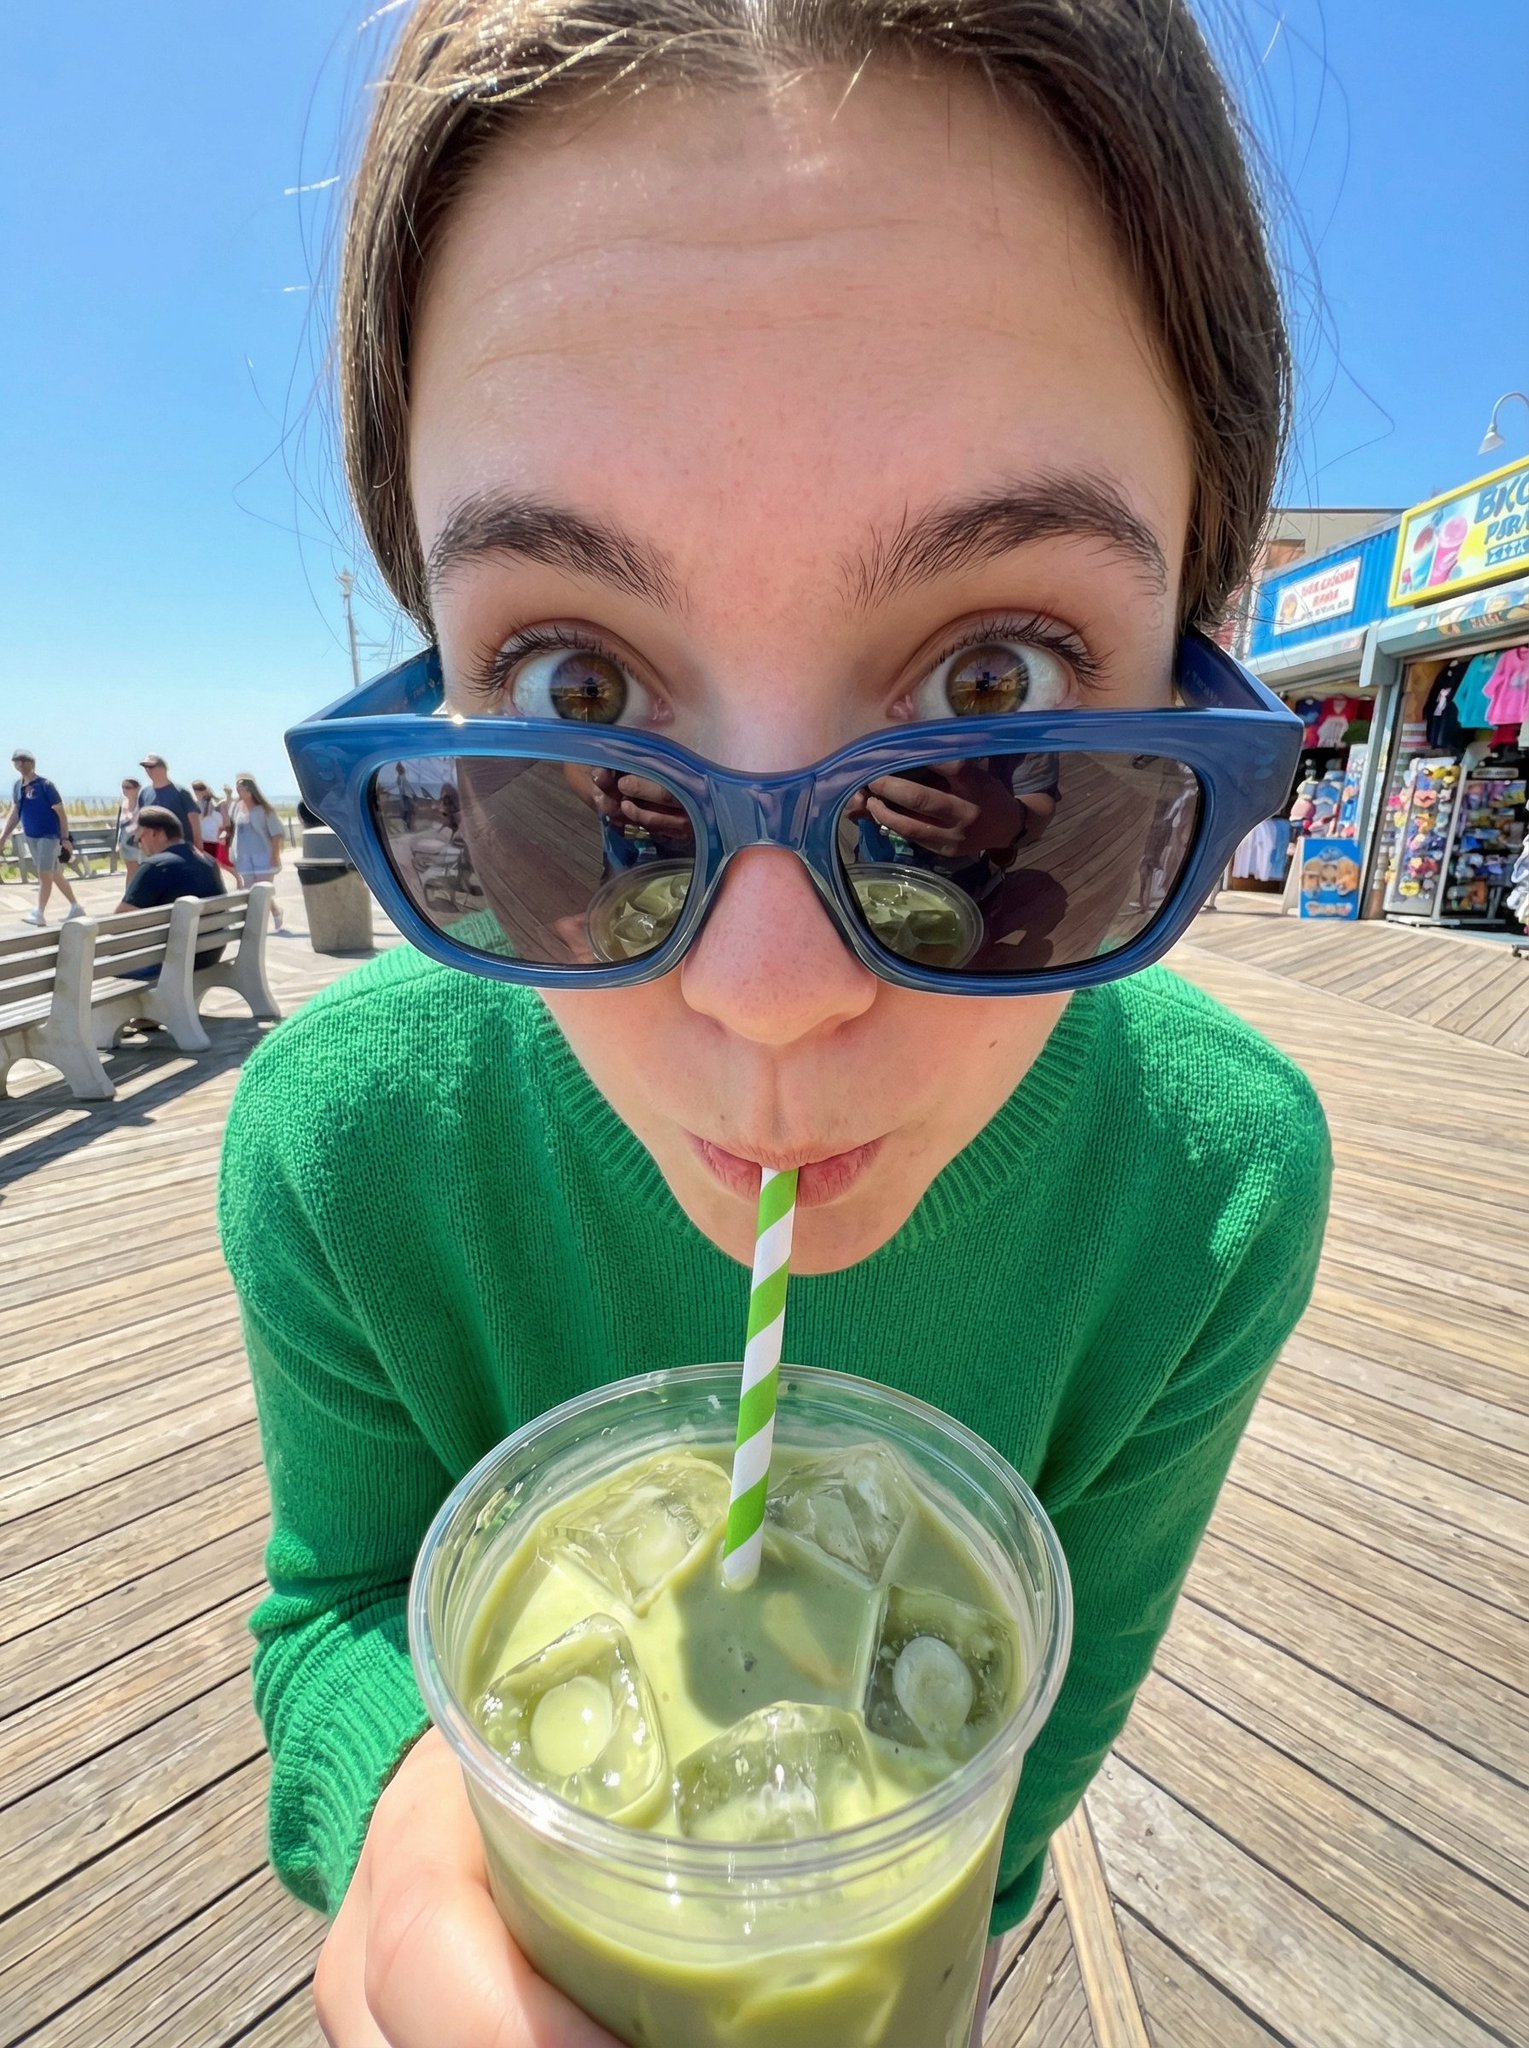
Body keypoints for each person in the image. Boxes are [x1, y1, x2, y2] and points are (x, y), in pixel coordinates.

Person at [218, 6, 1332, 2046]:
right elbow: (339, 1609)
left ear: (1200, 652)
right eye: (570, 696)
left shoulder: (1211, 1187)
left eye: (994, 694)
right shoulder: (342, 1145)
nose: (765, 991)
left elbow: (1034, 1732)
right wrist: (398, 1807)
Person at [116, 805, 227, 973]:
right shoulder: (209, 863)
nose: (139, 844)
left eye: (140, 838)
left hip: (171, 964)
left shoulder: (155, 866)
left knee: (87, 965)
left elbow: (120, 923)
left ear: (155, 833)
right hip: (208, 957)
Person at [4, 749, 84, 926]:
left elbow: (61, 813)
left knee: (44, 873)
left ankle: (39, 912)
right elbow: (16, 812)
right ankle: (75, 906)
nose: (21, 764)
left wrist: (65, 838)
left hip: (48, 836)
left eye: (24, 761)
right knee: (54, 873)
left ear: (32, 763)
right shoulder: (18, 786)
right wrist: (4, 836)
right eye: (17, 761)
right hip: (31, 835)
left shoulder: (45, 785)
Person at [227, 774, 286, 930]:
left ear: (250, 791)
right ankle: (268, 915)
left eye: (242, 790)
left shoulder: (265, 810)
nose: (239, 793)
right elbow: (235, 832)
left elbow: (276, 833)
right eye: (238, 790)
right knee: (250, 890)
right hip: (244, 855)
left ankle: (270, 916)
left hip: (263, 854)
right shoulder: (237, 808)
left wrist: (275, 855)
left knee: (263, 890)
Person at [137, 755, 203, 850]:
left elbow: (194, 821)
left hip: (181, 849)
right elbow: (142, 822)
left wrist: (198, 848)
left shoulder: (181, 792)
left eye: (151, 766)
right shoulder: (144, 793)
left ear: (164, 768)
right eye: (145, 767)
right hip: (155, 851)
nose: (148, 770)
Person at [192, 780, 230, 867]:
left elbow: (226, 825)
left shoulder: (219, 803)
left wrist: (224, 835)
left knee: (221, 867)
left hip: (216, 842)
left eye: (200, 789)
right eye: (196, 790)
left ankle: (238, 879)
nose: (198, 792)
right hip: (201, 842)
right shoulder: (195, 805)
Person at [114, 776, 143, 883]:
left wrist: (130, 815)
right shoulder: (124, 804)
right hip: (125, 842)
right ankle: (130, 895)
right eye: (123, 787)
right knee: (131, 870)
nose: (125, 790)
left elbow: (139, 822)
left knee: (136, 870)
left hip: (137, 841)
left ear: (137, 789)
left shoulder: (141, 803)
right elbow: (120, 826)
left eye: (128, 787)